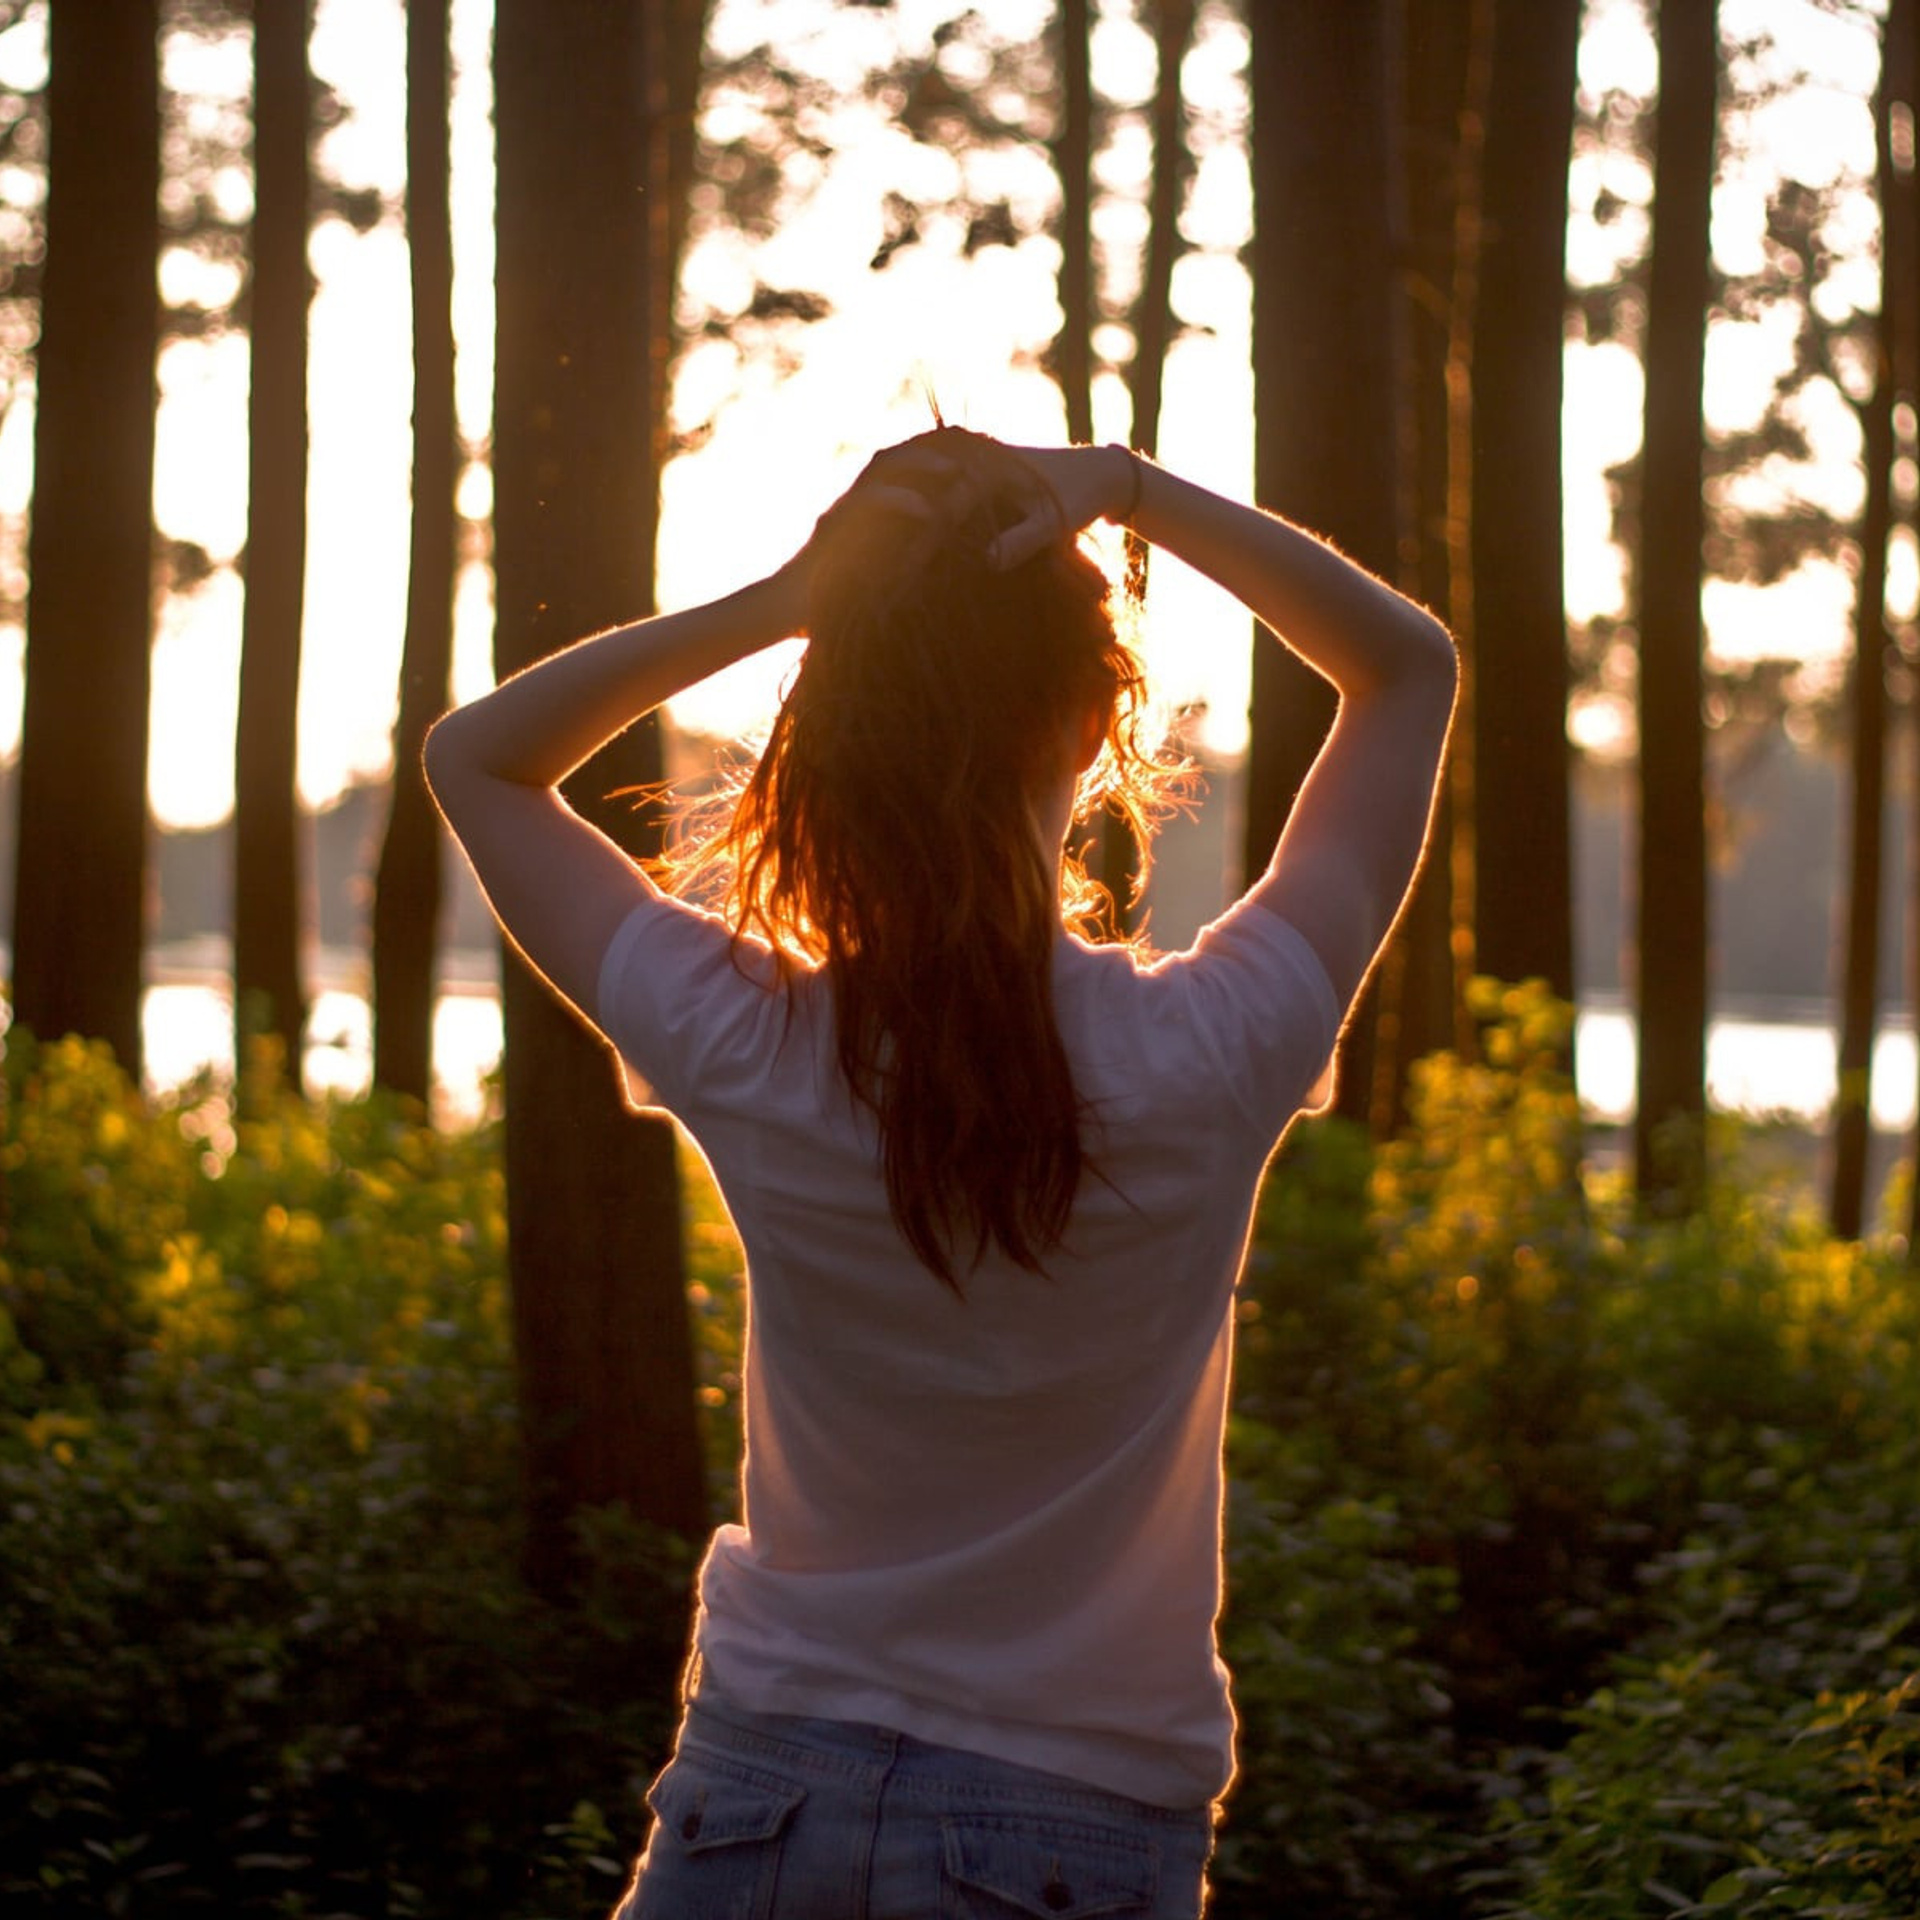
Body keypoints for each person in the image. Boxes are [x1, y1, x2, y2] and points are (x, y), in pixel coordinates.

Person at [425, 430, 1456, 1920]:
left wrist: (795, 601)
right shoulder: (1215, 1051)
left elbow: (480, 759)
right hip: (1071, 1836)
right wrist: (1129, 486)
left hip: (753, 1806)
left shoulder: (756, 1038)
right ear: (1102, 720)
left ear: (832, 737)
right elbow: (1404, 669)